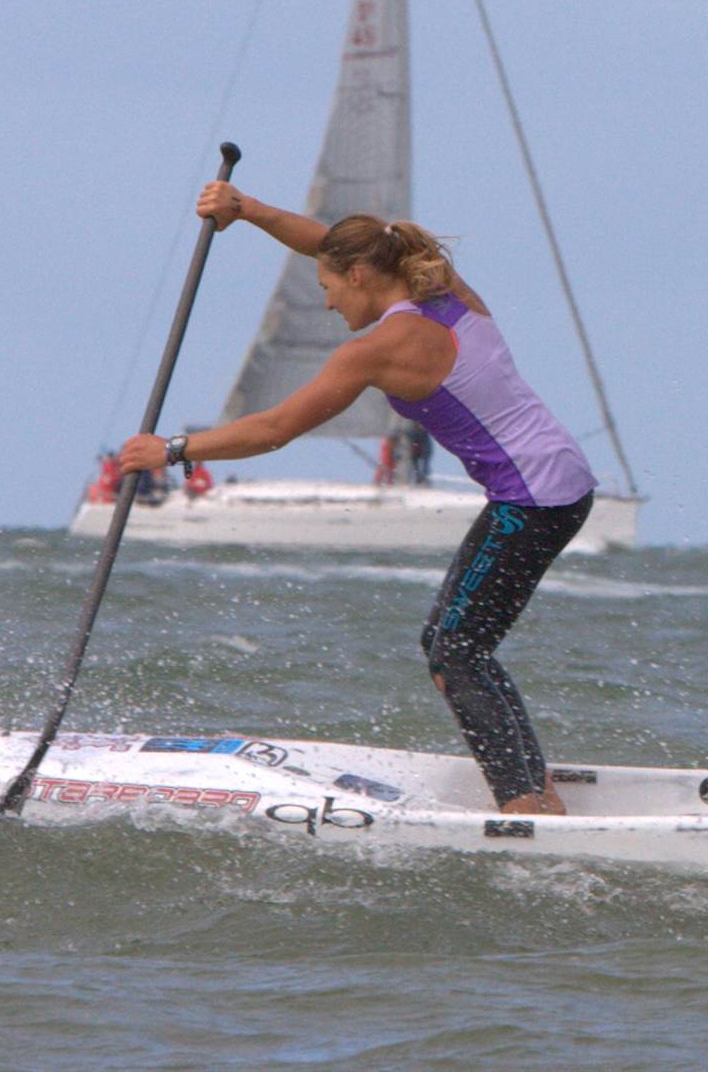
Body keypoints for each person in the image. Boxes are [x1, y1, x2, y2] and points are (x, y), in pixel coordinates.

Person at [118, 181, 598, 816]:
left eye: (328, 288)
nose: (328, 303)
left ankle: (527, 807)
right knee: (457, 644)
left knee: (455, 650)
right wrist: (249, 211)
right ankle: (534, 789)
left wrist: (175, 450)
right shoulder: (443, 287)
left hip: (532, 499)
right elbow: (336, 244)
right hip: (562, 482)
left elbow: (274, 430)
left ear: (362, 276)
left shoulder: (377, 349)